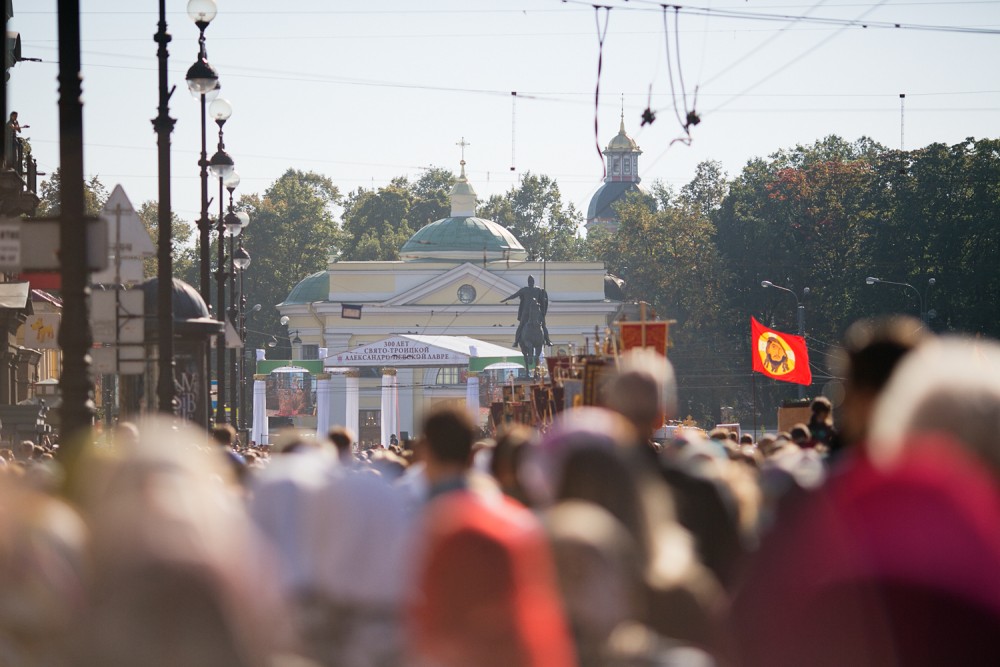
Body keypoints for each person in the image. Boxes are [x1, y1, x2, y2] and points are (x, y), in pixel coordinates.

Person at [501, 275, 552, 347]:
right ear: (528, 282)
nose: (530, 282)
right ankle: (516, 341)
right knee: (521, 325)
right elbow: (514, 295)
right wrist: (506, 299)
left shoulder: (538, 290)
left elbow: (543, 299)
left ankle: (547, 340)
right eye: (529, 281)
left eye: (531, 281)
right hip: (526, 312)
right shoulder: (524, 290)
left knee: (543, 325)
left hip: (536, 312)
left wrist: (544, 299)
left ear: (533, 282)